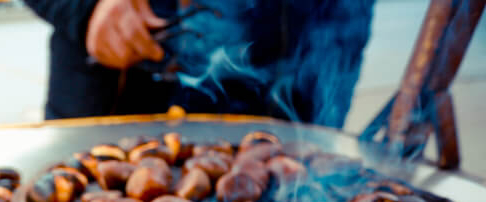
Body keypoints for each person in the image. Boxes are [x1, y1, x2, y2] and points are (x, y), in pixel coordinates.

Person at [23, 0, 374, 128]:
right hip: (104, 103)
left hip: (268, 112)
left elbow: (344, 20)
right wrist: (84, 8)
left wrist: (313, 130)